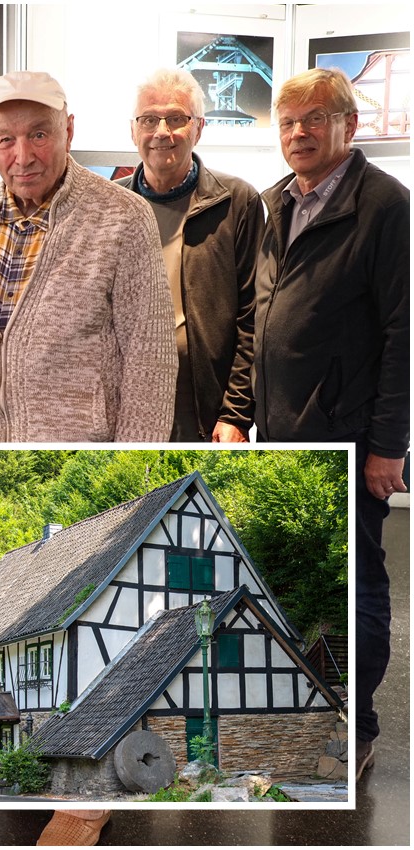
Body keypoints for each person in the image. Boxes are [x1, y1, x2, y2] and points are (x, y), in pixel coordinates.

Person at [252, 67, 409, 781]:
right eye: (287, 122)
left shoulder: (384, 206)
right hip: (286, 433)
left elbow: (403, 338)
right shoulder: (275, 203)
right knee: (305, 578)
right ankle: (318, 709)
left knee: (359, 583)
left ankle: (362, 721)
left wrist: (385, 447)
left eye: (314, 119)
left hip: (347, 436)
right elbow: (258, 319)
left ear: (348, 123)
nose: (299, 133)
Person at [0, 71, 176, 442]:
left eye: (39, 135)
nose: (23, 156)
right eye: (5, 140)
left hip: (77, 460)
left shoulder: (123, 217)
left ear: (69, 130)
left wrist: (132, 467)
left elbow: (150, 361)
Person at [117, 68, 263, 442]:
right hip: (125, 405)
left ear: (198, 128)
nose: (161, 132)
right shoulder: (109, 207)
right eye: (149, 119)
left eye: (176, 118)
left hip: (205, 410)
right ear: (133, 130)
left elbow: (253, 315)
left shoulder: (236, 202)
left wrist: (236, 413)